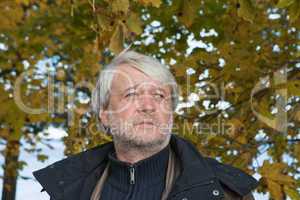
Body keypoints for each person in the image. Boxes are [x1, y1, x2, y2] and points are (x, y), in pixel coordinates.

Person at [33, 50, 258, 200]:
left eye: (159, 96)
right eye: (131, 94)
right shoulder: (70, 190)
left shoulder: (226, 192)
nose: (148, 106)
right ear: (105, 114)